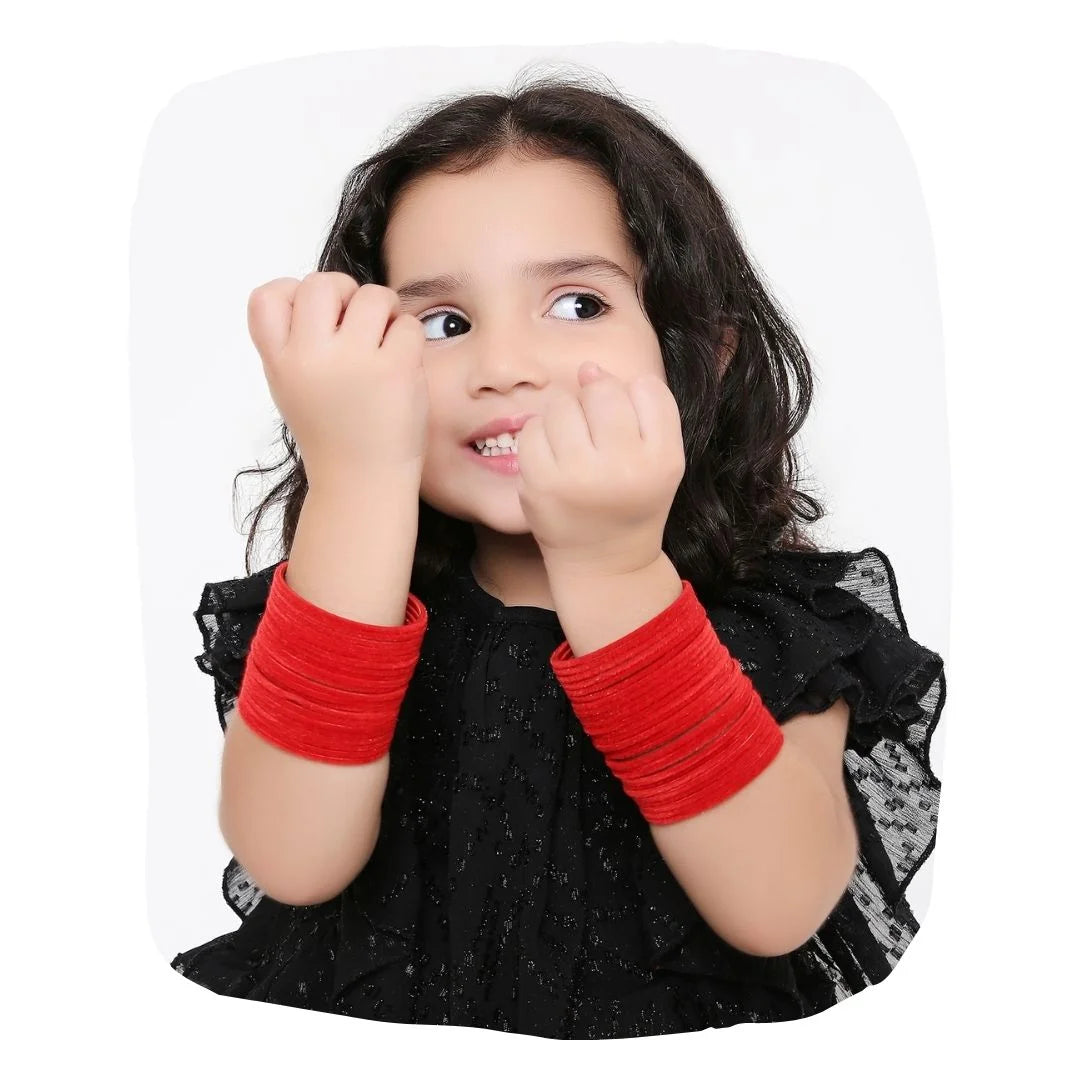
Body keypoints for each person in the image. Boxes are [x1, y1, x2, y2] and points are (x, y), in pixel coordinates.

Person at [169, 66, 946, 1040]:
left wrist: (614, 565)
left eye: (576, 304)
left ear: (700, 354)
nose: (503, 368)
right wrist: (358, 480)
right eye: (442, 324)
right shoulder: (344, 600)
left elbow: (777, 905)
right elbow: (291, 856)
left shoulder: (783, 622)